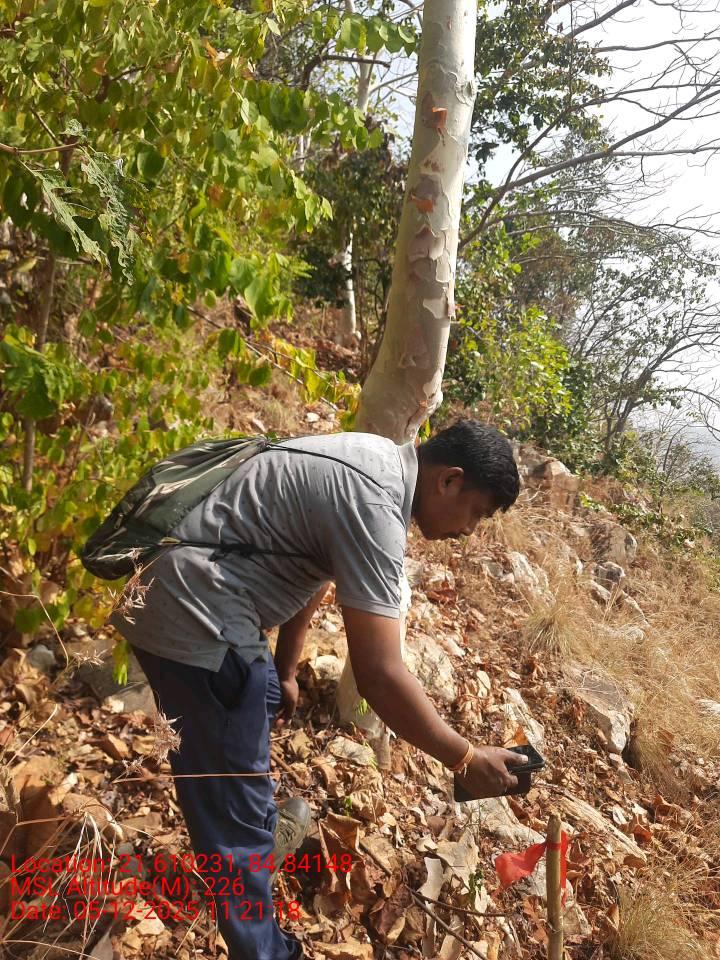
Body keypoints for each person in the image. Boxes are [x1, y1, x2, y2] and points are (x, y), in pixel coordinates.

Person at [110, 419, 527, 960]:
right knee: (231, 828)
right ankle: (262, 936)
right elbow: (379, 674)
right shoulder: (375, 503)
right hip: (197, 614)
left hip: (190, 593)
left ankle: (255, 827)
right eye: (477, 512)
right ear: (449, 480)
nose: (470, 530)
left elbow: (315, 564)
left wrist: (286, 667)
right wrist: (464, 757)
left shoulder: (374, 459)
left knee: (257, 699)